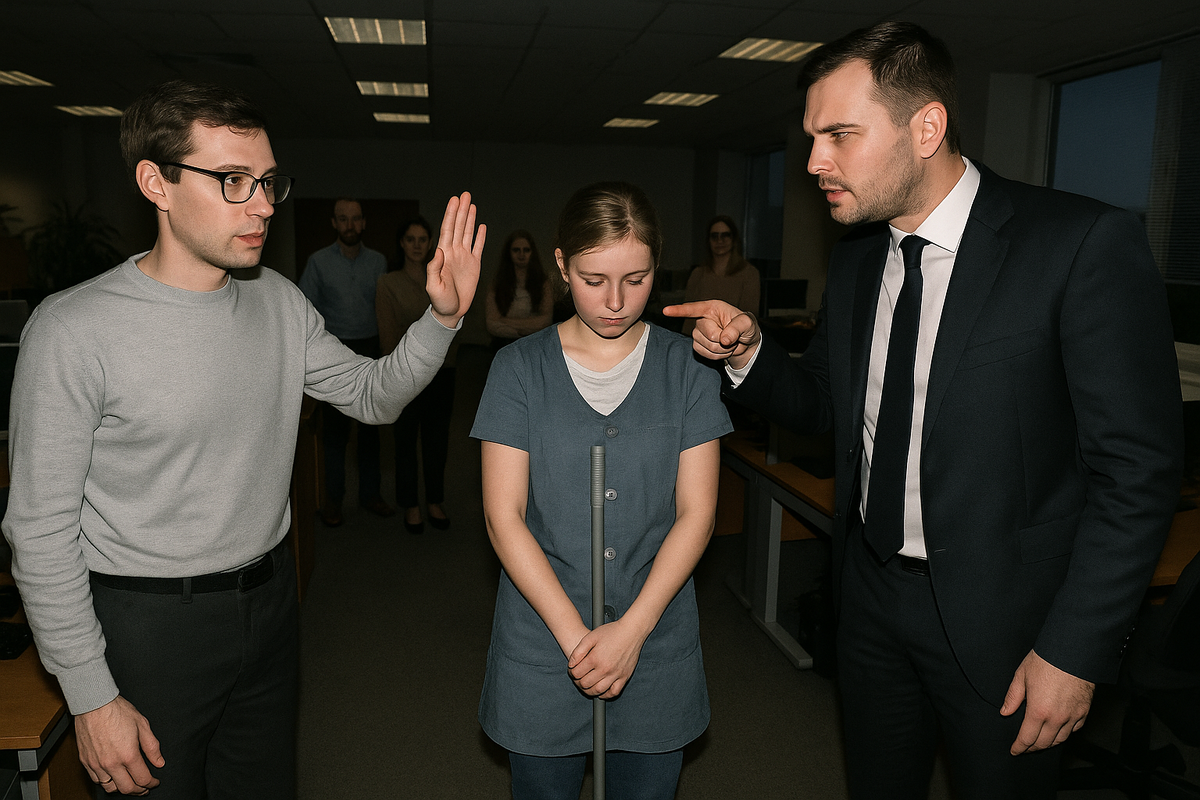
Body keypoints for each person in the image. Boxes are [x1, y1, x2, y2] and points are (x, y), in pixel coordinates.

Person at [666, 21, 1183, 800]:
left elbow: (1137, 473)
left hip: (1009, 626)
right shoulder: (857, 256)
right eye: (811, 138)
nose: (814, 163)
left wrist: (1075, 650)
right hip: (870, 599)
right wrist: (749, 354)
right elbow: (824, 405)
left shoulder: (1077, 245)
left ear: (926, 127)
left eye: (839, 135)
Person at [1, 78, 484, 799]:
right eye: (233, 181)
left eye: (267, 182)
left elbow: (371, 396)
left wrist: (441, 319)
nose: (262, 204)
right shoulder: (73, 330)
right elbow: (39, 531)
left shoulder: (279, 301)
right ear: (156, 184)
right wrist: (91, 696)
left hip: (270, 603)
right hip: (146, 626)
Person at [471, 182, 732, 800]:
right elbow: (504, 518)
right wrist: (578, 643)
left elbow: (697, 514)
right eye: (594, 281)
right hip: (544, 640)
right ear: (562, 266)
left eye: (636, 280)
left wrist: (631, 632)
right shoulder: (517, 369)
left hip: (655, 634)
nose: (616, 302)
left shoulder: (689, 367)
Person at [299, 197, 394, 526]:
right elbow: (305, 309)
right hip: (333, 352)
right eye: (343, 219)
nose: (350, 225)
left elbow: (384, 309)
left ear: (363, 223)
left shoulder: (378, 261)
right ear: (334, 223)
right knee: (334, 436)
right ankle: (333, 501)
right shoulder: (318, 262)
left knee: (371, 430)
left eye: (355, 219)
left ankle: (371, 495)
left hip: (370, 351)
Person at [376, 217, 456, 533]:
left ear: (430, 243)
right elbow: (388, 336)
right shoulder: (388, 283)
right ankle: (410, 504)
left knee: (437, 441)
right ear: (402, 243)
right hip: (404, 373)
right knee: (406, 441)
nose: (417, 245)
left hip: (442, 373)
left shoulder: (442, 279)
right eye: (411, 239)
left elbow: (452, 324)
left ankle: (435, 500)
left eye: (423, 239)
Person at [680, 215, 760, 336]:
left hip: (733, 337)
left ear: (733, 239)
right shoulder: (698, 273)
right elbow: (688, 314)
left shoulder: (749, 273)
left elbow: (749, 315)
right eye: (714, 236)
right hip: (697, 338)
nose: (719, 241)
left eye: (725, 235)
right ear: (708, 240)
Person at [485, 229, 554, 350]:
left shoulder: (543, 283)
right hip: (503, 345)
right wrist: (523, 331)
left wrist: (504, 321)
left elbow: (546, 321)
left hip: (534, 345)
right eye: (516, 250)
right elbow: (492, 324)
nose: (521, 255)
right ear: (509, 253)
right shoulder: (497, 284)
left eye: (526, 250)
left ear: (532, 252)